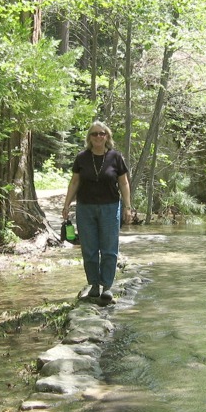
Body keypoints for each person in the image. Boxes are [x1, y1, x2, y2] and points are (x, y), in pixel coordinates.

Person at [61, 121, 134, 305]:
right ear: (89, 138)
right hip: (85, 208)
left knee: (109, 249)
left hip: (110, 207)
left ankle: (107, 287)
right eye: (94, 134)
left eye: (102, 133)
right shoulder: (82, 158)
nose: (98, 137)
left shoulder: (115, 157)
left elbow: (124, 183)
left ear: (107, 136)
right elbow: (75, 182)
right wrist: (67, 204)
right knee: (90, 249)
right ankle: (94, 285)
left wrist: (127, 206)